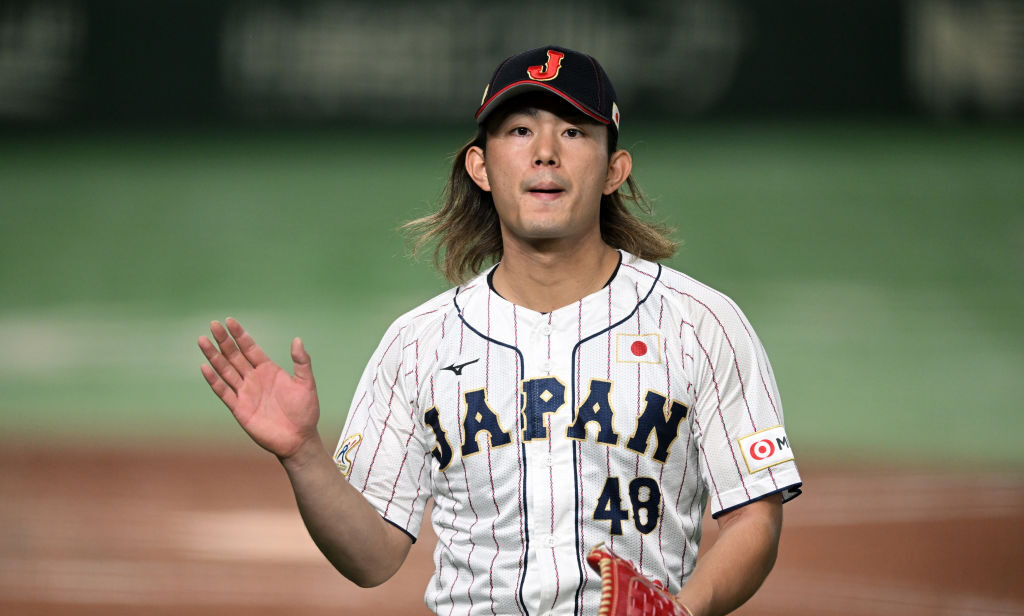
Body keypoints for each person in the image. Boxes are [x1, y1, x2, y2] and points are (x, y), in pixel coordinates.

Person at [198, 45, 802, 616]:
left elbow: (754, 517)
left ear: (615, 168)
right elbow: (373, 556)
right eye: (520, 131)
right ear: (480, 166)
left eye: (573, 132)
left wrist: (681, 612)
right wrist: (304, 455)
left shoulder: (701, 323)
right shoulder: (418, 344)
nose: (546, 152)